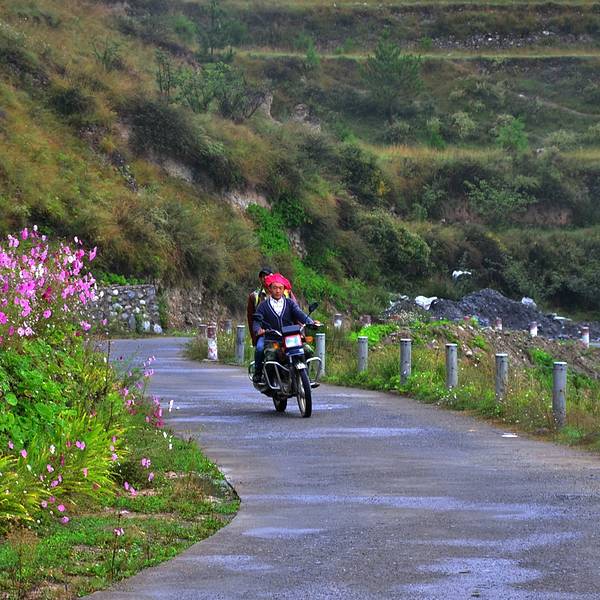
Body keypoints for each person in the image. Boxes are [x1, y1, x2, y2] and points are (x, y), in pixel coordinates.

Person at [252, 273, 319, 383]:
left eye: (280, 288)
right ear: (269, 289)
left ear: (284, 290)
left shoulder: (290, 303)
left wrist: (311, 322)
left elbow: (300, 314)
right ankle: (267, 380)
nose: (277, 291)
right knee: (270, 357)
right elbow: (257, 321)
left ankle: (305, 377)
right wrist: (258, 329)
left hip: (291, 339)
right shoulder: (263, 306)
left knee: (308, 351)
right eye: (275, 288)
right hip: (273, 340)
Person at [247, 267, 273, 347]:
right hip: (264, 333)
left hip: (282, 331)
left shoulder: (284, 292)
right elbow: (251, 319)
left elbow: (295, 310)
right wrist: (254, 337)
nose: (265, 278)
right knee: (259, 349)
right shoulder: (254, 296)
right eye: (262, 276)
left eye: (267, 275)